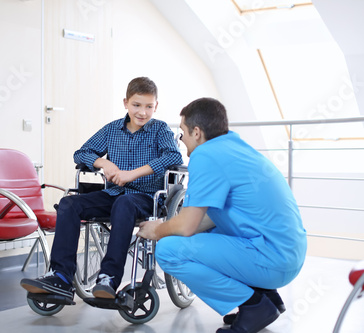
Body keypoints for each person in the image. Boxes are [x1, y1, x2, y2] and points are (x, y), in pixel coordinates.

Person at [137, 97, 307, 333]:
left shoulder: (205, 155)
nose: (181, 138)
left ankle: (254, 306)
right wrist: (171, 224)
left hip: (272, 260)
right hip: (289, 253)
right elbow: (208, 219)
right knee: (214, 227)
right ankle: (265, 296)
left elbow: (187, 226)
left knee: (168, 250)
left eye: (183, 132)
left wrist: (157, 229)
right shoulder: (234, 147)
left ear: (197, 132)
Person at [20, 77, 183, 301]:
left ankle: (108, 278)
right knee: (69, 203)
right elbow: (81, 153)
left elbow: (173, 156)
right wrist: (103, 163)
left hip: (146, 197)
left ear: (156, 106)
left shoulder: (160, 130)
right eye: (137, 105)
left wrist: (132, 174)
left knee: (125, 203)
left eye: (149, 106)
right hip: (114, 194)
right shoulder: (112, 129)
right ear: (126, 103)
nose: (142, 112)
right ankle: (61, 276)